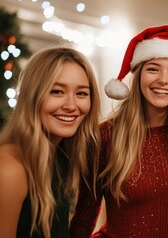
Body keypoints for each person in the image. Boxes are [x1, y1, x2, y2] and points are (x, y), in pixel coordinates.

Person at [69, 25, 168, 237]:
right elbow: (83, 218)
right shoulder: (106, 136)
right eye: (153, 69)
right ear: (139, 75)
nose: (163, 79)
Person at [0, 46, 101, 238]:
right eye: (57, 91)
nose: (71, 106)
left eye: (81, 93)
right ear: (32, 96)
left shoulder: (61, 155)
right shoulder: (10, 168)